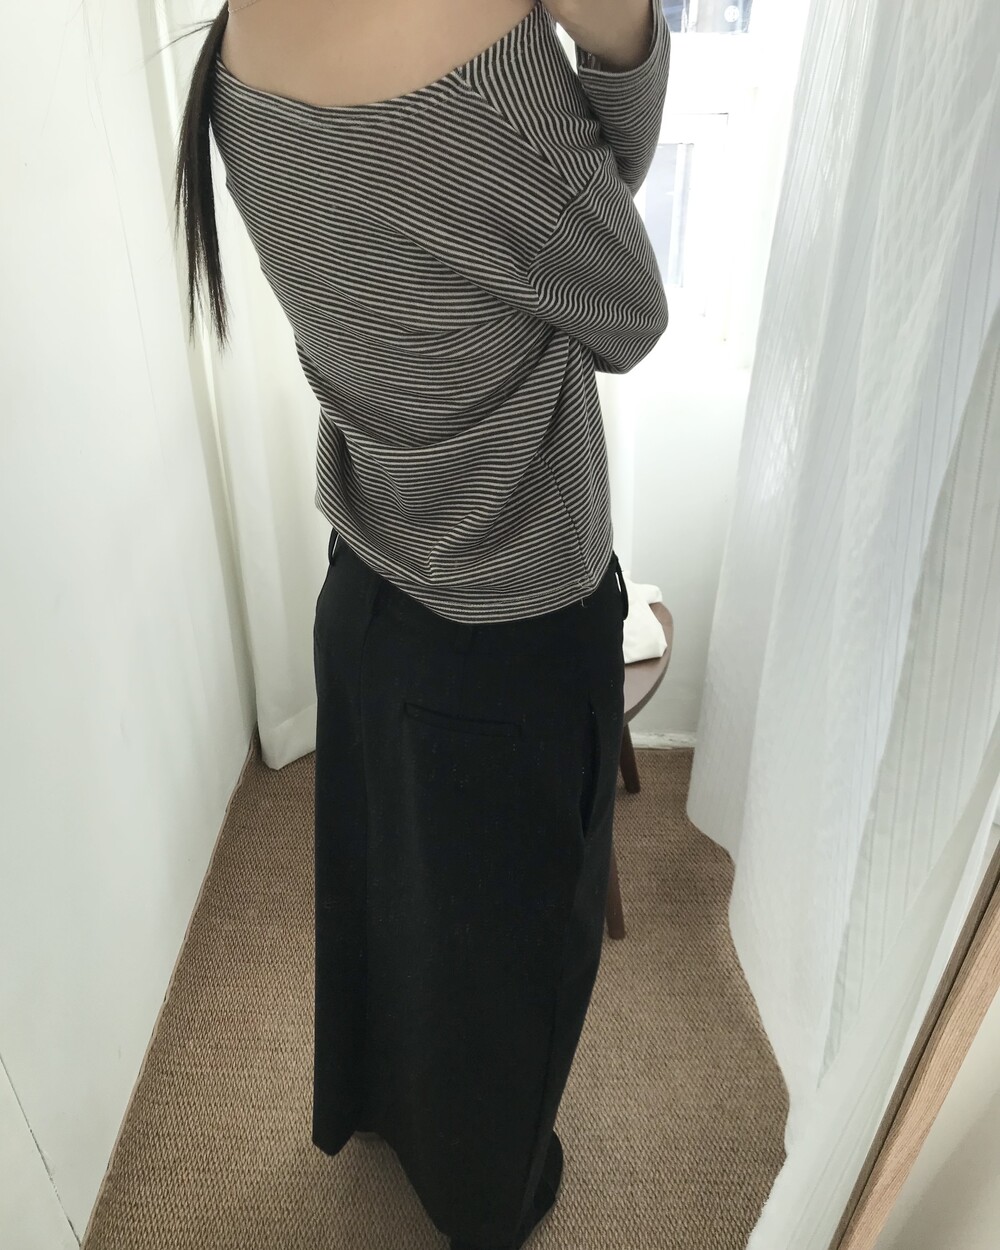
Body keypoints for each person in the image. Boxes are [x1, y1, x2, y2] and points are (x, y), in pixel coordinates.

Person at [171, 1, 669, 1245]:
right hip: (516, 619)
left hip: (368, 586)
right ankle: (491, 1195)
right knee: (520, 946)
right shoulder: (489, 66)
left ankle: (386, 1110)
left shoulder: (237, 49)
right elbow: (626, 312)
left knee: (389, 891)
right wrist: (623, 42)